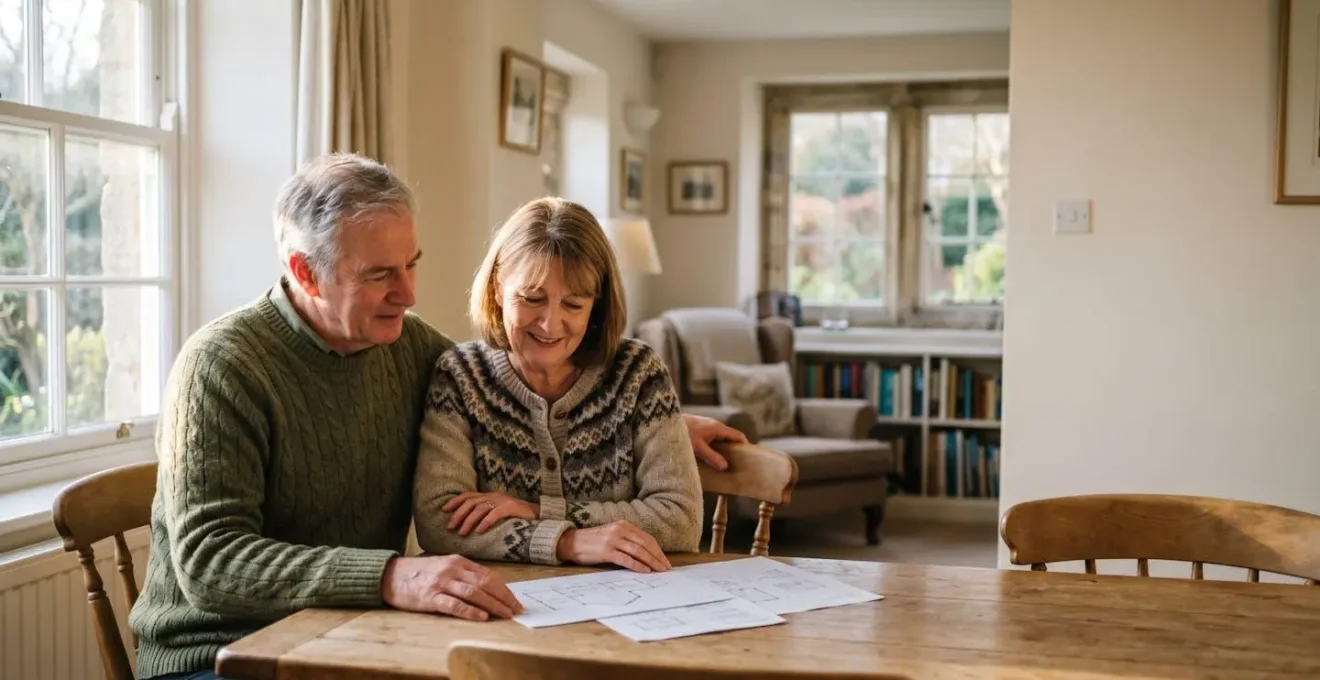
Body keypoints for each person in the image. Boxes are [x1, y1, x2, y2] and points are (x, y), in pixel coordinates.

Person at [128, 153, 745, 680]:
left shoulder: (408, 344)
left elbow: (507, 386)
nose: (409, 293)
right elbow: (212, 562)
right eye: (380, 275)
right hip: (216, 655)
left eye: (412, 264)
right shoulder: (221, 366)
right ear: (305, 273)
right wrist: (391, 577)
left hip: (352, 635)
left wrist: (657, 423)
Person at [413, 198, 701, 572]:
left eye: (574, 305)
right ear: (498, 288)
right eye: (531, 298)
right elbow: (440, 522)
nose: (550, 324)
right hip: (506, 597)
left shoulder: (638, 372)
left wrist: (539, 511)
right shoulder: (461, 375)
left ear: (596, 304)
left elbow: (680, 521)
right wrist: (566, 541)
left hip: (627, 598)